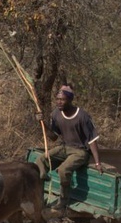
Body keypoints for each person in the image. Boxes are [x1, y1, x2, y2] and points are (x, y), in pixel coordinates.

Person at [34, 85, 103, 215]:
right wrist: (42, 123)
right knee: (40, 160)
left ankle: (63, 200)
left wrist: (98, 163)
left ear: (70, 100)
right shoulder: (56, 114)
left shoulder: (82, 116)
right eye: (58, 99)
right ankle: (43, 181)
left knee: (63, 170)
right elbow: (54, 137)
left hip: (80, 151)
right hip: (65, 147)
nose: (59, 102)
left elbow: (92, 140)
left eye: (63, 99)